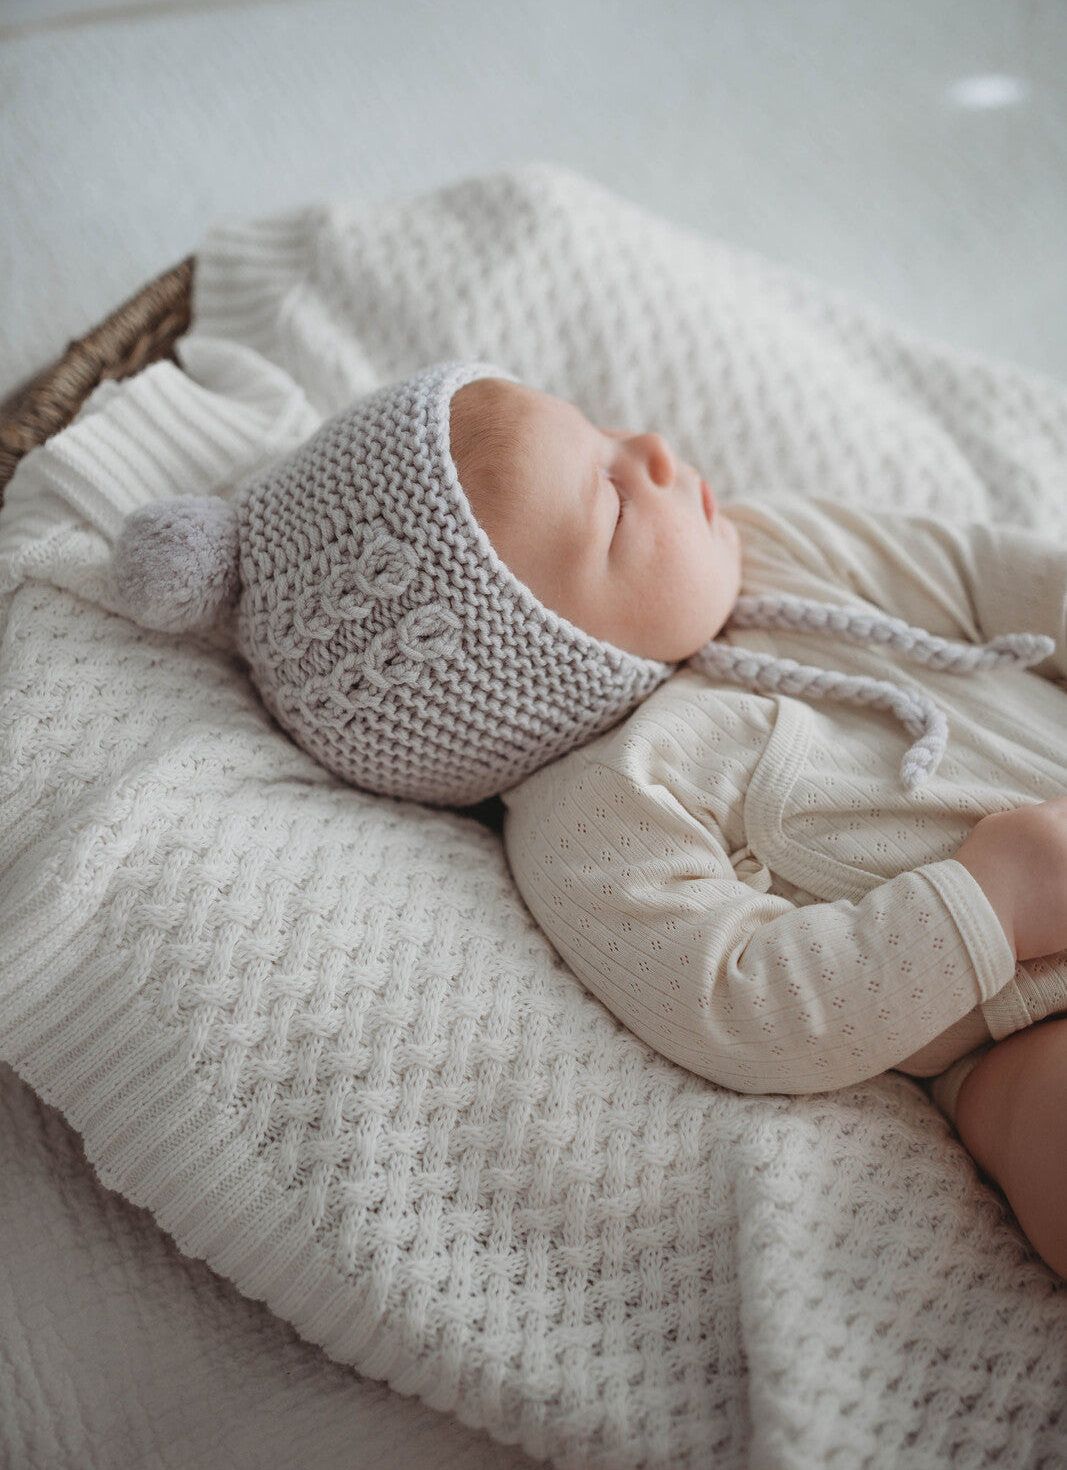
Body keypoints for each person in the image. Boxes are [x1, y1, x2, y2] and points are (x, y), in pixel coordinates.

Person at [112, 361, 1067, 1280]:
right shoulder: (599, 814)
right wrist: (991, 900)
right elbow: (744, 1005)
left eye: (603, 433)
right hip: (1021, 1014)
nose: (651, 448)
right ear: (541, 669)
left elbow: (984, 575)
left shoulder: (780, 541)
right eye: (612, 504)